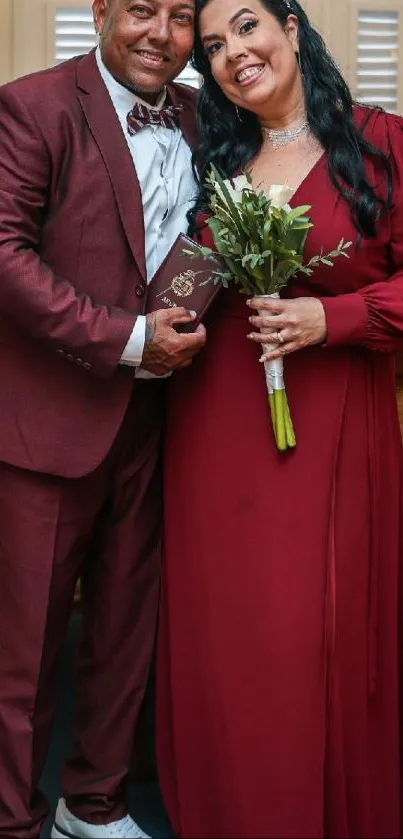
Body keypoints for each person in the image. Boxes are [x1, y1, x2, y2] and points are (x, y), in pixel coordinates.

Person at [155, 0, 403, 836]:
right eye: (215, 46)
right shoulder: (215, 161)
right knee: (224, 634)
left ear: (292, 29)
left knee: (304, 634)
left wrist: (331, 319)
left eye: (247, 27)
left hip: (327, 416)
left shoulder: (379, 142)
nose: (232, 54)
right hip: (210, 420)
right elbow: (182, 285)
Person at [0, 0, 205, 837]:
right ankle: (14, 819)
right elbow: (4, 253)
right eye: (141, 11)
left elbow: (207, 234)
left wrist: (185, 321)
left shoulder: (205, 113)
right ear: (101, 13)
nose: (160, 32)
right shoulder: (33, 104)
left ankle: (94, 804)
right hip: (51, 422)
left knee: (125, 631)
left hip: (163, 421)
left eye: (182, 15)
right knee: (25, 651)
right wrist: (127, 340)